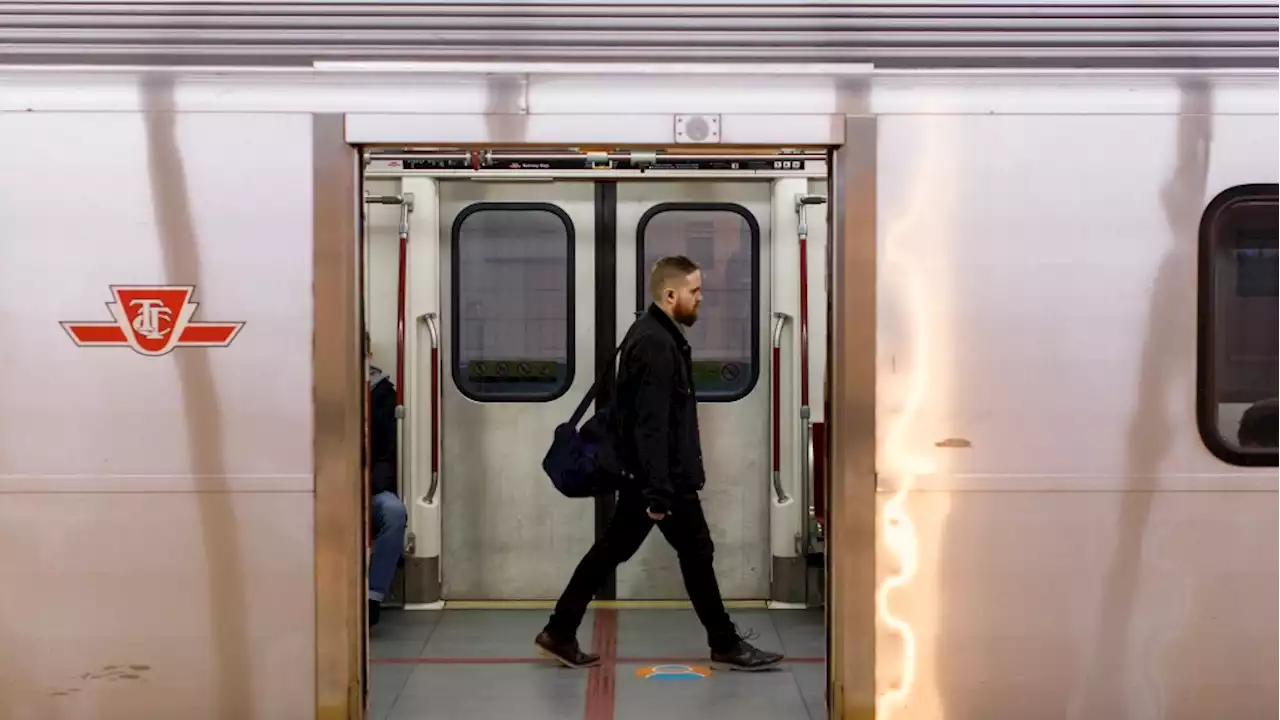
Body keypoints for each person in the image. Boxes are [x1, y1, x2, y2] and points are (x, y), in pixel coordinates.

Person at [535, 255, 784, 671]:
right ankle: (724, 643)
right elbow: (651, 425)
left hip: (649, 475)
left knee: (616, 551)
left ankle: (560, 630)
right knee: (694, 550)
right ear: (671, 296)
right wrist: (658, 490)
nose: (701, 299)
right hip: (660, 478)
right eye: (695, 292)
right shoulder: (656, 344)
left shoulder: (654, 334)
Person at [367, 333, 407, 627]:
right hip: (326, 487)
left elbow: (386, 452)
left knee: (394, 512)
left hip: (370, 487)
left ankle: (372, 596)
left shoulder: (382, 394)